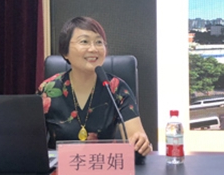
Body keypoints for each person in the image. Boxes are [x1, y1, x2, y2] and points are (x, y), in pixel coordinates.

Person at [37, 16, 152, 156]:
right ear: (65, 51)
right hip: (59, 168)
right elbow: (32, 142)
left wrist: (141, 144)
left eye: (99, 42)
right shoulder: (48, 89)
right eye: (84, 42)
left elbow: (136, 137)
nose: (93, 49)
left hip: (104, 165)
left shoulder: (116, 88)